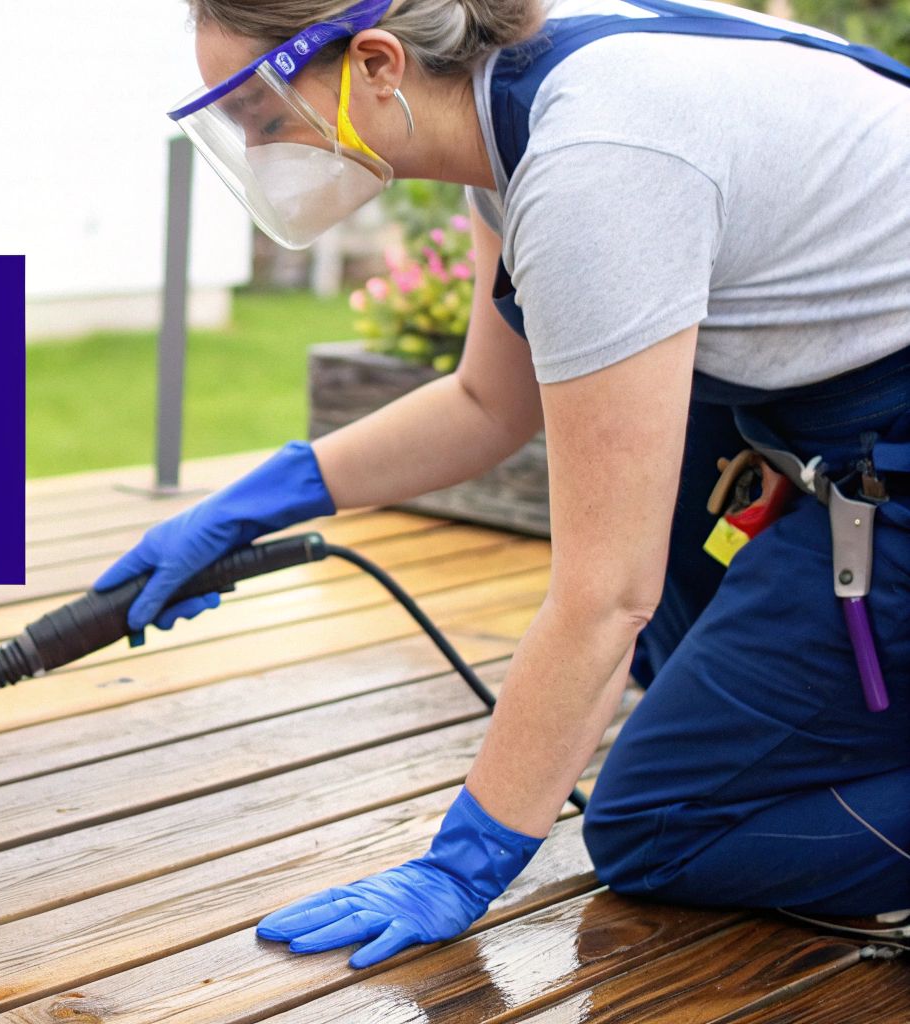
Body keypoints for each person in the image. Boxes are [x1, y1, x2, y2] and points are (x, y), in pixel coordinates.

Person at [103, 0, 910, 969]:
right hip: (839, 427)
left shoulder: (593, 164)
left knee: (657, 823)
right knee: (674, 682)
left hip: (881, 460)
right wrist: (254, 500)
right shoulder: (517, 94)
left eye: (265, 116)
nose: (259, 150)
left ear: (375, 63)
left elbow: (605, 596)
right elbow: (489, 401)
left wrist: (464, 862)